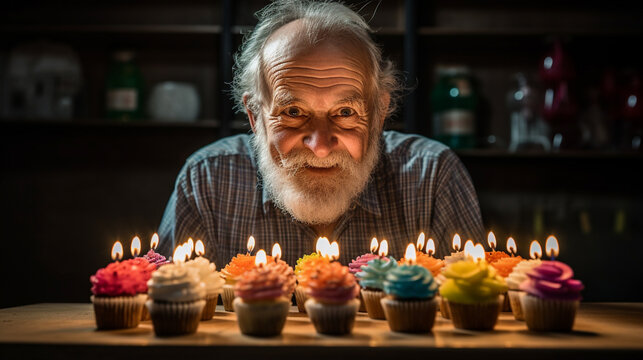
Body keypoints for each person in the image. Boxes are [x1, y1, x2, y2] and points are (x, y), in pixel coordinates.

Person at [157, 0, 484, 267]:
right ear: (255, 116)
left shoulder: (433, 176)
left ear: (379, 114)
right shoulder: (207, 180)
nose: (321, 146)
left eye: (345, 113)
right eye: (294, 112)